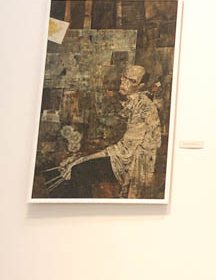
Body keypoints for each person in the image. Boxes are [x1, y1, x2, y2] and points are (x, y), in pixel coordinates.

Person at [49, 64, 162, 198]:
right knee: (69, 165)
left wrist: (87, 158)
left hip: (133, 162)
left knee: (80, 169)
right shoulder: (131, 101)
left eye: (132, 81)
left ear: (140, 86)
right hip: (124, 153)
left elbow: (125, 150)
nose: (124, 83)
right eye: (124, 78)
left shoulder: (143, 107)